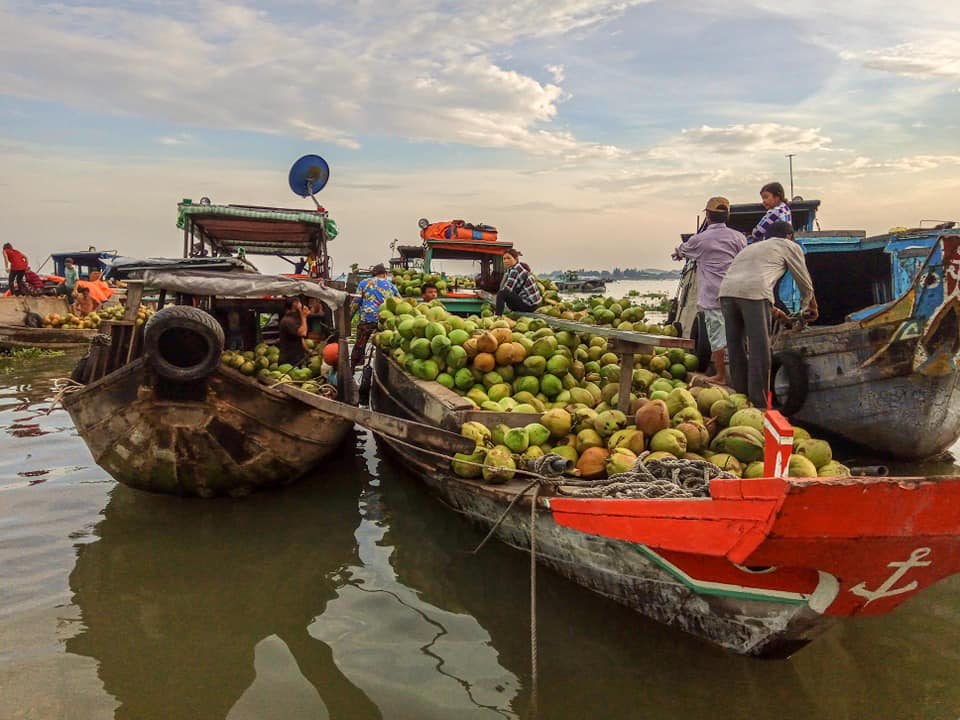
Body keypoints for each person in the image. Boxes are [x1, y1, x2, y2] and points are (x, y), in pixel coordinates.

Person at [719, 220, 818, 408]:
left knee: (736, 347)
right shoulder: (789, 245)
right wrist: (812, 306)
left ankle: (740, 401)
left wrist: (776, 312)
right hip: (754, 294)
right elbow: (804, 281)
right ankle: (760, 404)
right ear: (790, 236)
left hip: (726, 293)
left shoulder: (752, 248)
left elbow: (749, 284)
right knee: (760, 349)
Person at [673, 196, 746, 384]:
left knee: (716, 336)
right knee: (737, 334)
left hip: (712, 295)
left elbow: (682, 250)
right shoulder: (739, 238)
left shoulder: (700, 240)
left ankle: (721, 375)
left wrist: (677, 253)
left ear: (708, 216)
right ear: (727, 216)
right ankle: (740, 375)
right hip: (735, 293)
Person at [350, 264, 399, 368]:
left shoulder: (364, 283)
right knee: (384, 345)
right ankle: (382, 368)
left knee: (359, 346)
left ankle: (353, 367)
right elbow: (399, 303)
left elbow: (356, 302)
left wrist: (348, 318)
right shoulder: (390, 285)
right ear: (385, 274)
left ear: (373, 274)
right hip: (384, 321)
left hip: (367, 319)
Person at [496, 249, 541, 315]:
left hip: (529, 306)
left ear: (516, 259)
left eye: (509, 258)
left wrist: (498, 298)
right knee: (505, 295)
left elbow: (507, 289)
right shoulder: (515, 268)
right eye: (504, 259)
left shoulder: (515, 270)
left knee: (501, 294)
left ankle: (497, 316)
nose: (506, 261)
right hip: (533, 305)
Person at [278, 297, 310, 366]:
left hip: (297, 359)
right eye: (299, 304)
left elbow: (300, 338)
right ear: (294, 305)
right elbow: (303, 333)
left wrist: (308, 351)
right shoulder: (287, 321)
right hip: (289, 361)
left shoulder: (293, 319)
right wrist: (304, 316)